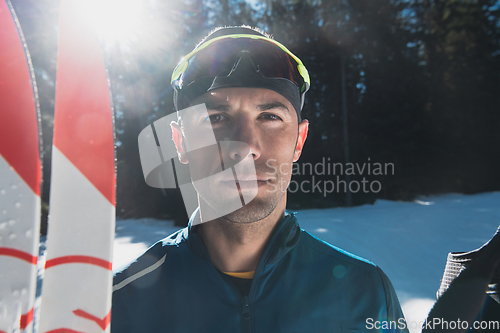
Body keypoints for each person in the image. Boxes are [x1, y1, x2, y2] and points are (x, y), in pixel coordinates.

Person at [111, 26, 408, 333]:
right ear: (181, 142)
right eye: (215, 118)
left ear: (299, 141)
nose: (246, 146)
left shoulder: (366, 294)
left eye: (269, 117)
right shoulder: (119, 305)